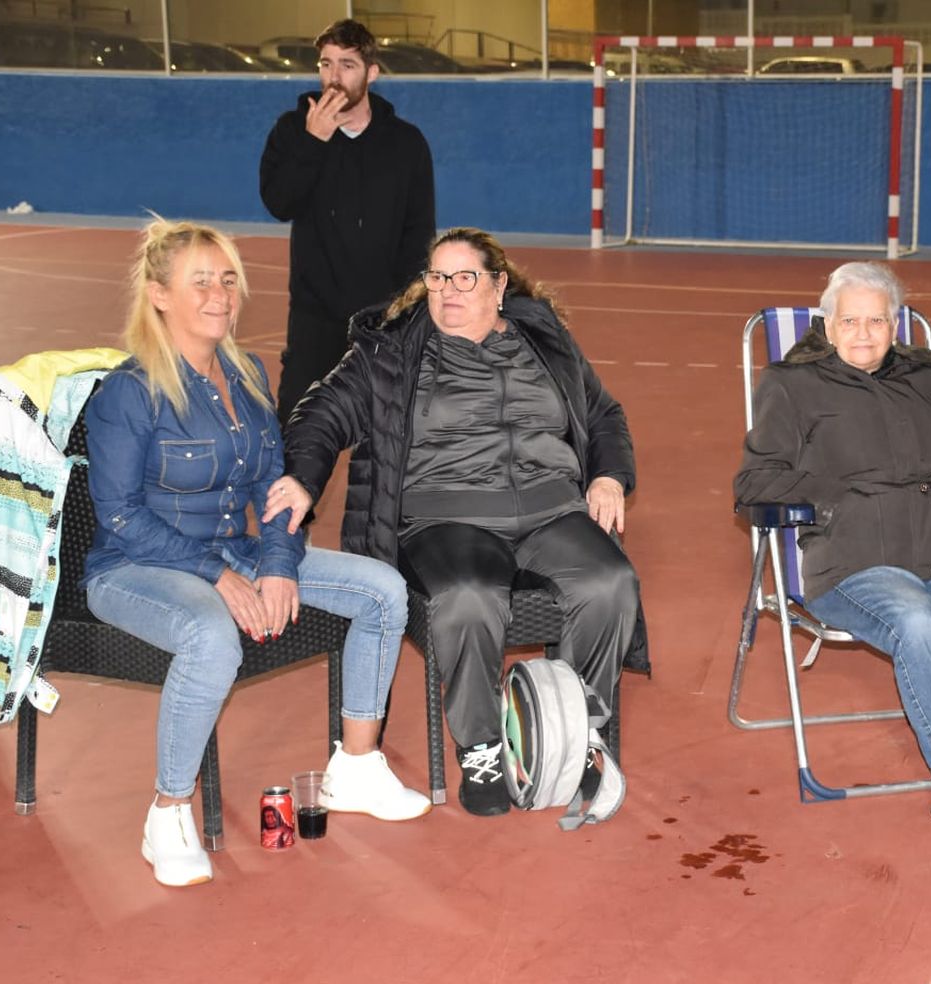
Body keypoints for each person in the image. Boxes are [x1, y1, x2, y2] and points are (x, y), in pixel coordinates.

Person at [83, 220, 430, 888]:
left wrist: (275, 564)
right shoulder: (130, 391)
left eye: (228, 279)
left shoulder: (244, 375)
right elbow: (120, 516)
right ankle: (168, 812)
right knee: (211, 636)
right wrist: (218, 575)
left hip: (230, 553)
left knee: (382, 590)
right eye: (200, 282)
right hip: (134, 567)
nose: (220, 295)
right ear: (159, 295)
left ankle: (357, 767)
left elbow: (276, 487)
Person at [271, 227, 645, 818]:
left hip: (551, 510)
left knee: (610, 583)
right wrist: (302, 477)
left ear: (498, 285)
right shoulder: (391, 352)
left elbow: (603, 415)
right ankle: (482, 747)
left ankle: (577, 734)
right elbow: (321, 411)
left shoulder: (544, 341)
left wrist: (607, 476)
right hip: (447, 516)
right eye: (438, 277)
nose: (448, 290)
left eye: (464, 278)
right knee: (469, 596)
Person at [733, 262, 931, 861]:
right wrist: (840, 501)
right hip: (856, 563)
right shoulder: (791, 384)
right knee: (919, 626)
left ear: (894, 324)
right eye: (850, 320)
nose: (863, 333)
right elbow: (754, 482)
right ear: (828, 323)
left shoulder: (927, 375)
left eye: (876, 321)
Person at [259, 18, 435, 422]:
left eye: (347, 65)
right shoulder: (292, 130)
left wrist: (405, 311)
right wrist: (313, 142)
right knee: (298, 430)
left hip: (382, 320)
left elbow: (419, 234)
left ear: (372, 73)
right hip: (313, 317)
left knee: (383, 436)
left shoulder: (406, 144)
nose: (334, 77)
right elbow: (279, 203)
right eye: (326, 64)